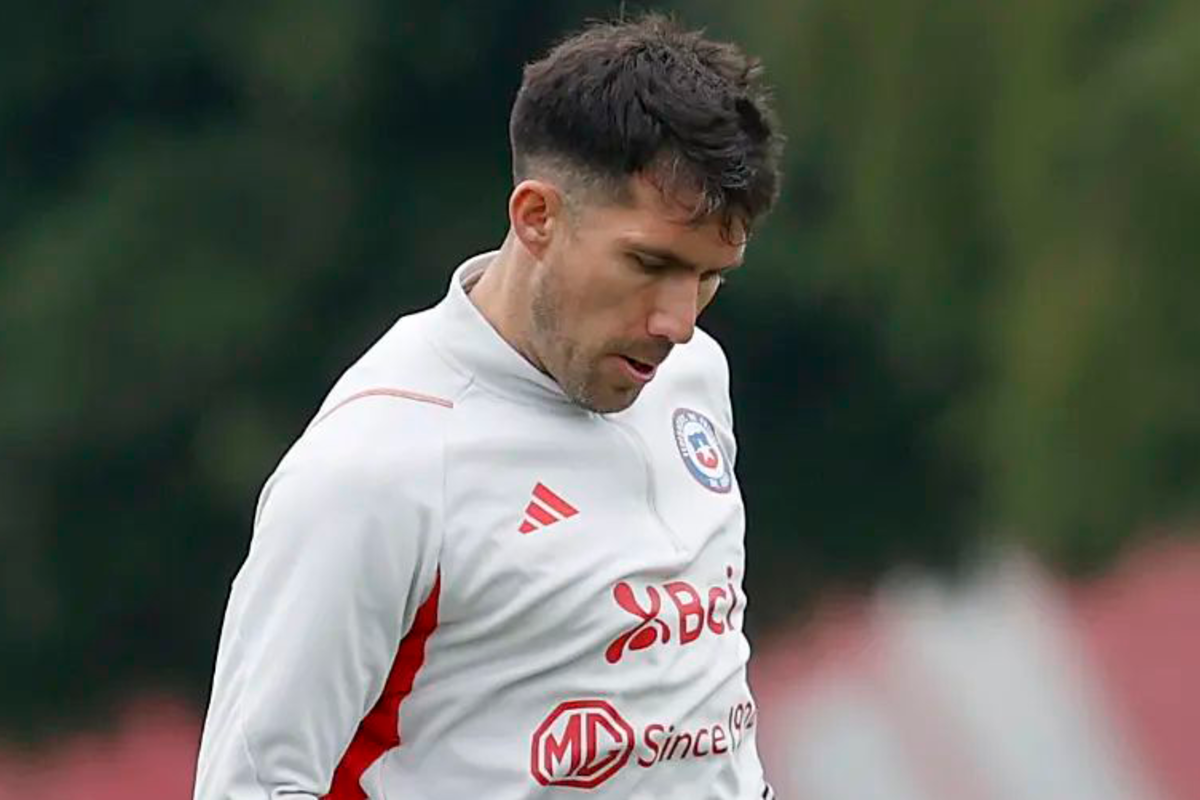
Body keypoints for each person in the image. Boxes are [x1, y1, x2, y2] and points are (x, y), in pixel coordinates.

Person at [192, 12, 783, 799]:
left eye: (711, 277)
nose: (679, 321)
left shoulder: (691, 374)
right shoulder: (376, 465)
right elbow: (253, 784)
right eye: (649, 262)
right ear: (537, 217)